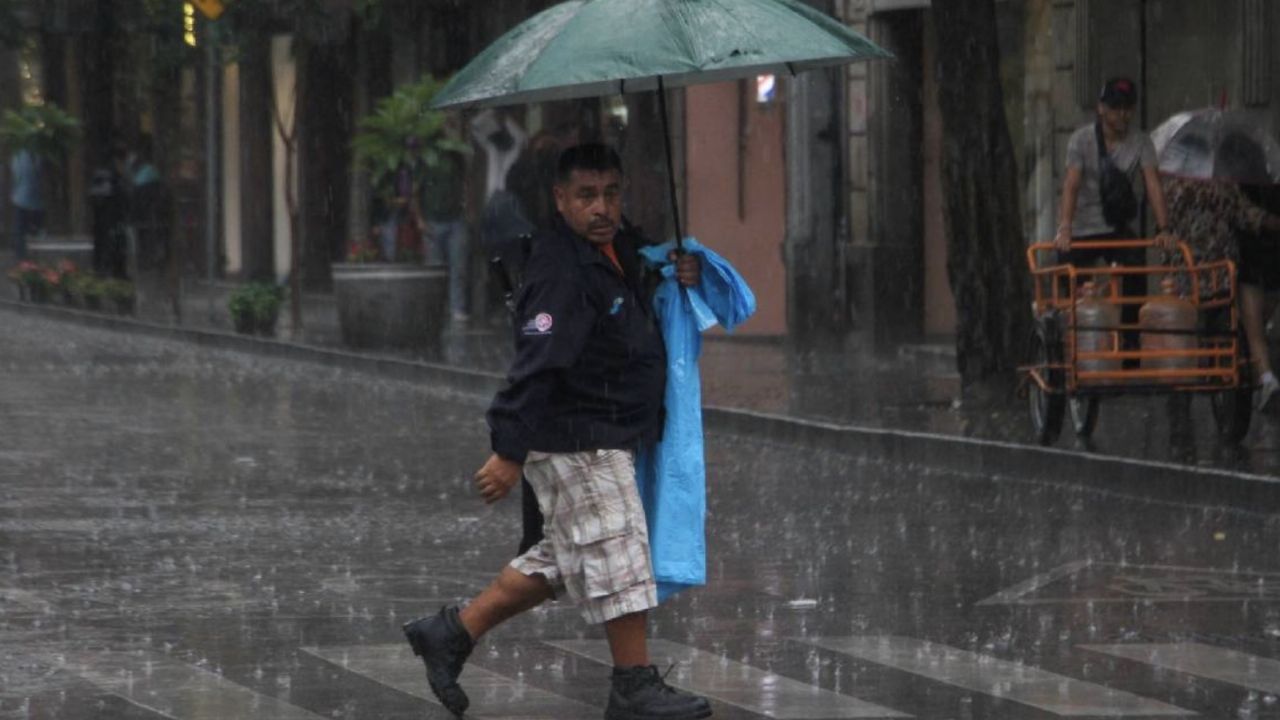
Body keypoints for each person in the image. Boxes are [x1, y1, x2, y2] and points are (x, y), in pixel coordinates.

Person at [401, 144, 710, 720]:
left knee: (567, 557)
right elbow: (536, 363)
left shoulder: (619, 250)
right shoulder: (561, 269)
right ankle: (633, 684)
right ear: (560, 199)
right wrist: (508, 449)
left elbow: (644, 280)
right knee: (619, 549)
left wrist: (675, 268)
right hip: (576, 432)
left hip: (607, 427)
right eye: (587, 196)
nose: (602, 208)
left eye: (611, 193)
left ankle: (450, 634)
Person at [1161, 133, 1280, 410]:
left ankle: (1185, 382)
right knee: (1222, 322)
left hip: (1184, 272)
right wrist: (1271, 222)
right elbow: (1245, 214)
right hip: (1219, 271)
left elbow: (1165, 227)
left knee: (1188, 326)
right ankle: (1223, 370)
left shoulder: (1171, 189)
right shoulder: (1220, 188)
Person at [1055, 77, 1174, 351]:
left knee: (1135, 266)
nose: (1123, 114)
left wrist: (1164, 228)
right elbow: (1071, 185)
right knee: (1068, 276)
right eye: (1116, 107)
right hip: (1081, 227)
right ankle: (1071, 346)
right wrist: (1065, 228)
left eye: (1128, 108)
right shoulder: (1081, 140)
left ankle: (1131, 346)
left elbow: (1153, 184)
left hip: (1115, 225)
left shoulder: (1141, 142)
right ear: (1101, 109)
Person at [422, 119, 470, 324]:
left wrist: (467, 208)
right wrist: (420, 220)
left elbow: (465, 182)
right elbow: (417, 190)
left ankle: (456, 308)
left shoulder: (455, 156)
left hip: (455, 218)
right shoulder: (425, 158)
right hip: (433, 219)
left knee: (457, 267)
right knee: (435, 269)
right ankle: (436, 308)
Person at [9, 148, 44, 261]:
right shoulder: (37, 154)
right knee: (33, 232)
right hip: (32, 199)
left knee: (20, 232)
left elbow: (16, 175)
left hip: (21, 198)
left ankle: (22, 260)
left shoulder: (18, 155)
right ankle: (30, 260)